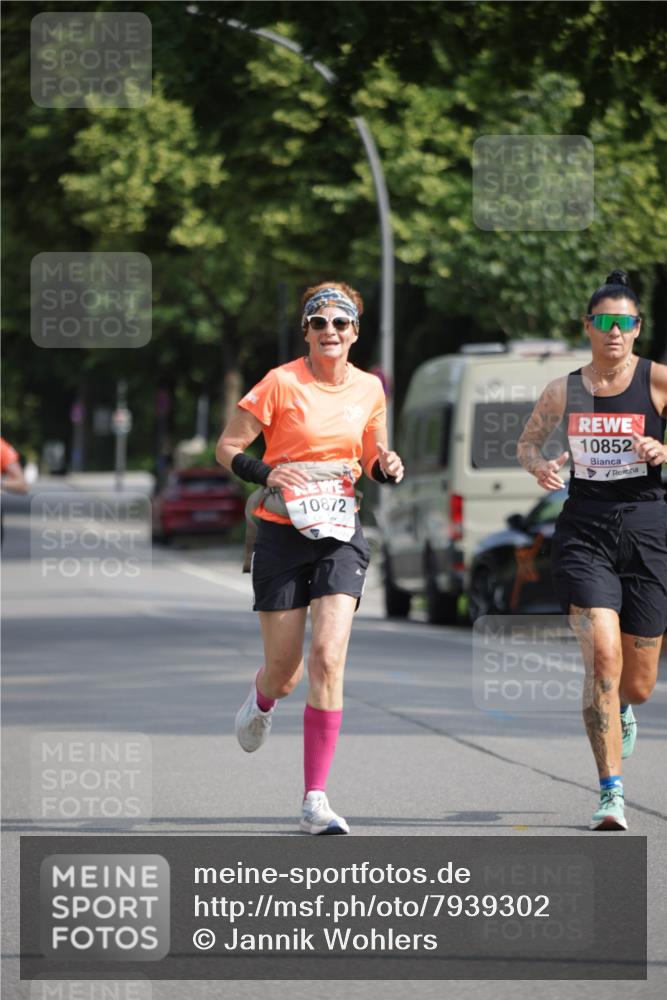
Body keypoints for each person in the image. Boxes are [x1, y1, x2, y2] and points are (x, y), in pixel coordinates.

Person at [216, 282, 404, 835]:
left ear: (354, 332)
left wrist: (386, 466)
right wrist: (266, 472)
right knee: (286, 672)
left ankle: (314, 800)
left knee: (327, 657)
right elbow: (228, 447)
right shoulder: (281, 382)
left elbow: (371, 456)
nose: (330, 331)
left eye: (340, 323)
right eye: (319, 323)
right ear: (306, 331)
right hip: (281, 532)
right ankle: (262, 700)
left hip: (340, 532)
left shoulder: (369, 388)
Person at [517, 269, 667, 831]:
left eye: (624, 323)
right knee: (603, 657)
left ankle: (623, 707)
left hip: (648, 529)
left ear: (638, 328)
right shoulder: (566, 389)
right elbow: (528, 442)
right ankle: (611, 793)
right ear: (588, 327)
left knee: (639, 683)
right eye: (604, 322)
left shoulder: (657, 380)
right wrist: (540, 465)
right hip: (585, 531)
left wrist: (663, 450)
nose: (614, 331)